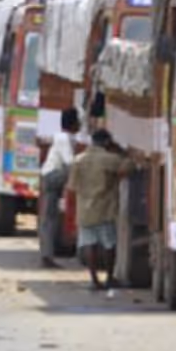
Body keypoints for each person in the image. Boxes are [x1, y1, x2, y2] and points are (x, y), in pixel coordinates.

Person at [64, 129, 135, 290]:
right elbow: (129, 166)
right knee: (109, 244)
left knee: (90, 244)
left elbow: (71, 186)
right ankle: (109, 277)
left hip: (85, 210)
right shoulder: (108, 159)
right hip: (105, 209)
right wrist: (122, 152)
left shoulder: (78, 160)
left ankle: (94, 280)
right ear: (107, 142)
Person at [39, 107, 80, 268]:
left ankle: (47, 254)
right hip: (52, 176)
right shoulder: (63, 138)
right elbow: (71, 163)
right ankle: (46, 256)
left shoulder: (65, 137)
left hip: (52, 177)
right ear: (73, 123)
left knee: (51, 218)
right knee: (49, 218)